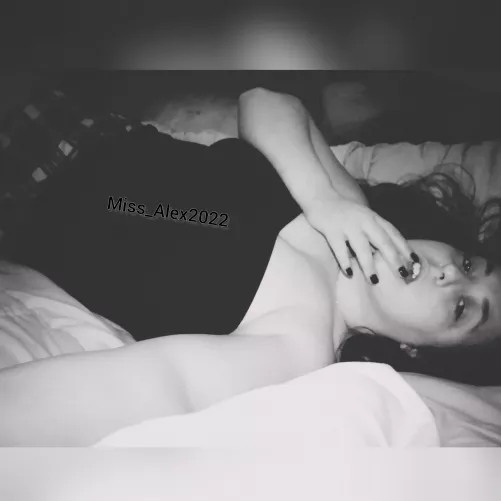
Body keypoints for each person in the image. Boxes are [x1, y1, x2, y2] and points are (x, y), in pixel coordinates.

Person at [1, 87, 500, 446]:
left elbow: (164, 381)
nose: (451, 275)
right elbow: (264, 102)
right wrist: (326, 200)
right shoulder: (349, 207)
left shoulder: (301, 346)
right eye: (469, 263)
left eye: (462, 308)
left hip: (29, 193)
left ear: (416, 349)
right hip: (83, 120)